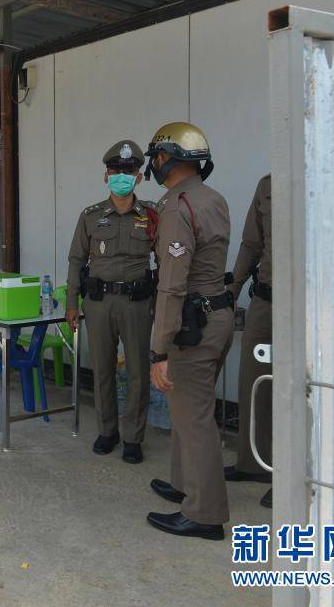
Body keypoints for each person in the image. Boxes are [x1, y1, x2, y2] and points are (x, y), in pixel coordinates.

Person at [144, 122, 234, 541]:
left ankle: (204, 514)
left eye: (156, 158)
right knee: (188, 410)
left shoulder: (177, 208)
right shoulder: (212, 198)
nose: (154, 165)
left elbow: (172, 286)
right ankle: (185, 485)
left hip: (192, 326)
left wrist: (159, 350)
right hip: (217, 317)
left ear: (166, 159)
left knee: (195, 420)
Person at [65, 140, 156, 464]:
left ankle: (133, 437)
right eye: (116, 171)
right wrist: (71, 302)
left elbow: (166, 260)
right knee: (102, 369)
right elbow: (76, 259)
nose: (121, 176)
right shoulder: (90, 216)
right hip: (99, 302)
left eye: (128, 171)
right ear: (106, 176)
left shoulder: (152, 215)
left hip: (136, 303)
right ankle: (107, 431)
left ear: (139, 177)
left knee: (137, 373)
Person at [227, 175, 273, 508]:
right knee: (254, 381)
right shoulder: (268, 185)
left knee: (303, 390)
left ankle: (292, 475)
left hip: (310, 305)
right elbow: (251, 244)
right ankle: (253, 463)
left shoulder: (330, 175)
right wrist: (231, 290)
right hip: (266, 301)